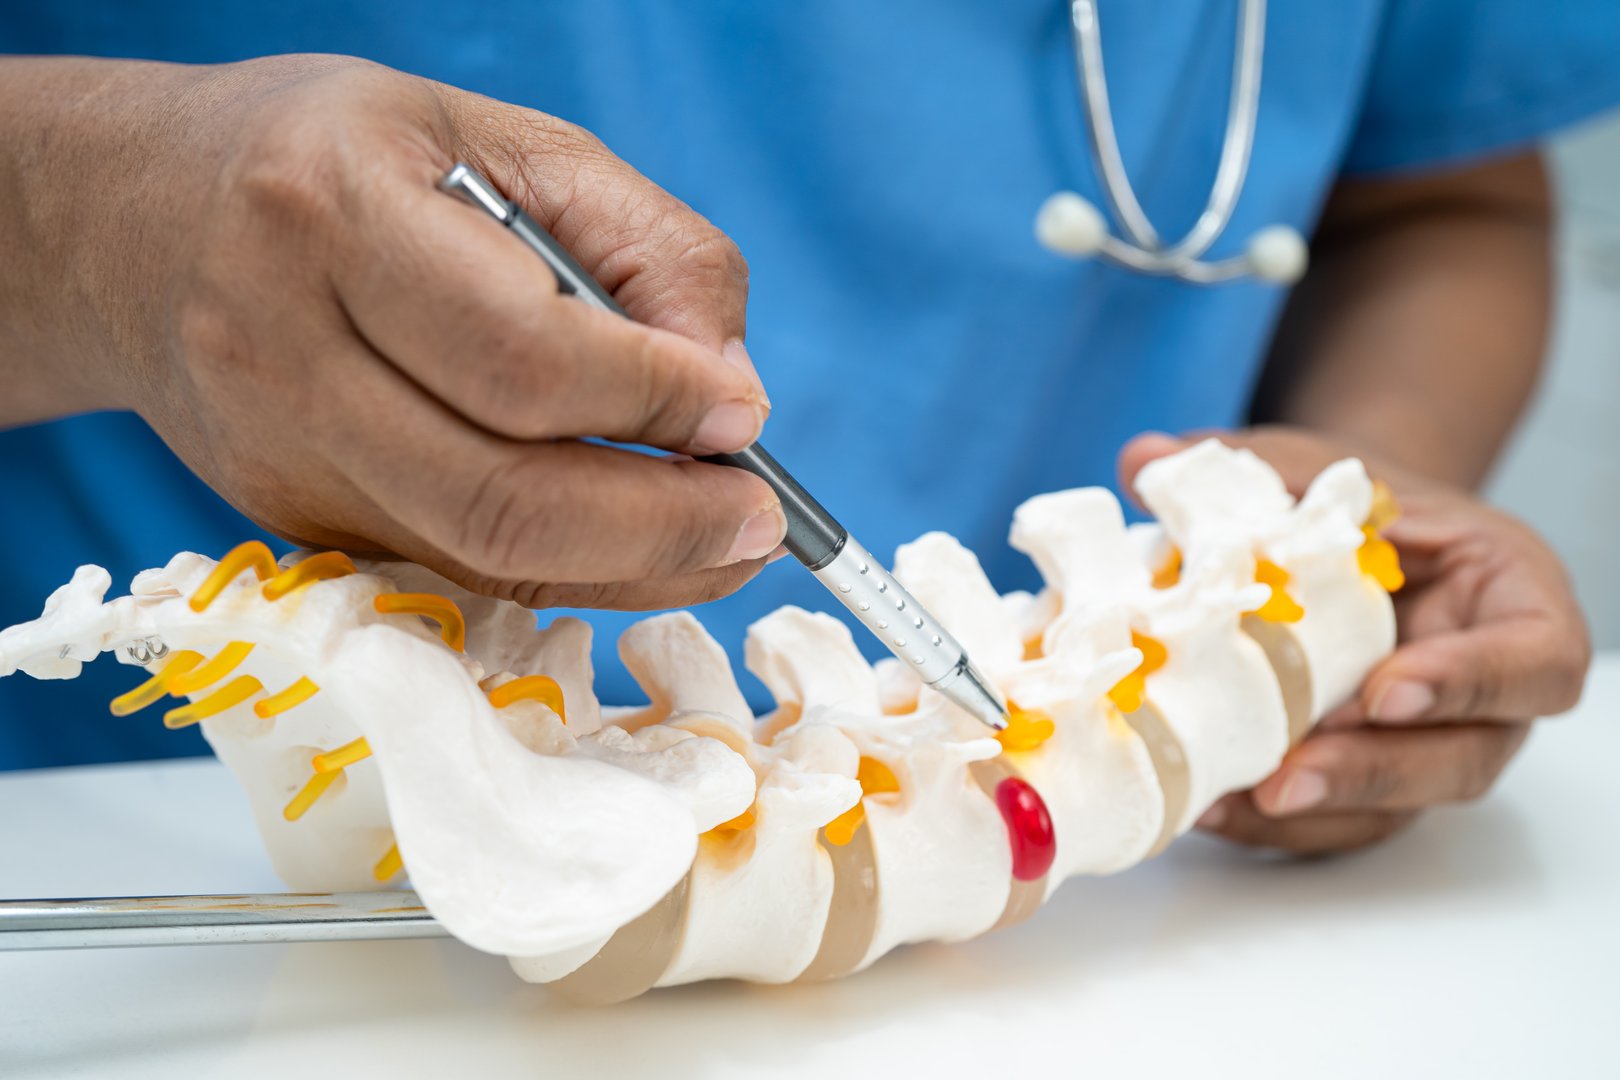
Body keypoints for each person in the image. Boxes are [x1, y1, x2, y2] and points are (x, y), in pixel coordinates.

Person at [1, 4, 1613, 855]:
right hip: (144, 851)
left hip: (1119, 917)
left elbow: (1442, 193)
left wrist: (1334, 535)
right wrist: (86, 222)